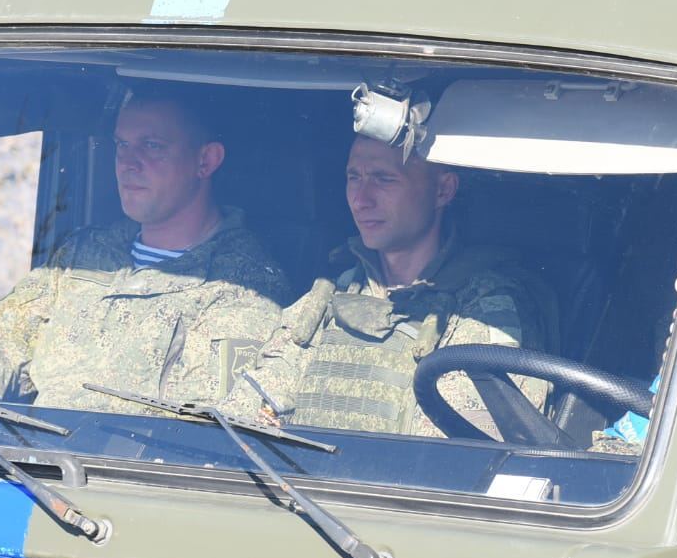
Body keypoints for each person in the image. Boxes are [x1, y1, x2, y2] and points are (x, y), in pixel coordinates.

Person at [0, 90, 288, 409]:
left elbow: (201, 435)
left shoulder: (243, 285)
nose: (127, 163)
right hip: (28, 469)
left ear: (205, 161)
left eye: (152, 146)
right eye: (122, 145)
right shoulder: (84, 254)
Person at [229, 135, 547, 439]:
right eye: (354, 177)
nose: (360, 199)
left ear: (443, 190)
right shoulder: (334, 292)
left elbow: (461, 466)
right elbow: (243, 418)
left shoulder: (484, 311)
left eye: (383, 179)